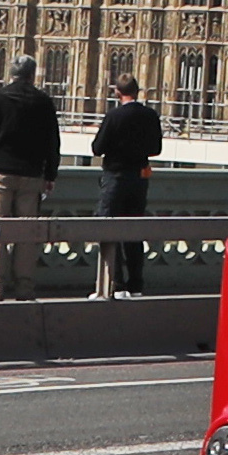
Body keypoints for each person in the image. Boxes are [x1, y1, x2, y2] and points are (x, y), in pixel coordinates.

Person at [0, 55, 63, 301]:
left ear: (10, 73)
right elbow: (52, 142)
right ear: (33, 75)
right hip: (32, 175)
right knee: (26, 234)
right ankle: (24, 288)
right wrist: (50, 174)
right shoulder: (43, 102)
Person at [91, 76, 161, 298]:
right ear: (137, 91)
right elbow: (156, 148)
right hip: (139, 178)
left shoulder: (113, 116)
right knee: (134, 230)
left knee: (108, 228)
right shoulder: (150, 116)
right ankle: (136, 285)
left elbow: (97, 148)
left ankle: (115, 284)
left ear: (117, 92)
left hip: (116, 176)